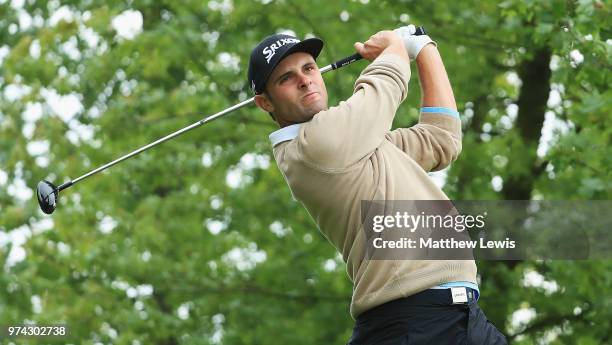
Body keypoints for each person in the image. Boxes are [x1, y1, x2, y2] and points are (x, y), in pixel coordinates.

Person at [247, 26, 507, 344]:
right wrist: (395, 47)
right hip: (411, 323)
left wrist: (424, 47)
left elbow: (441, 141)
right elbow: (383, 86)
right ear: (265, 103)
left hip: (463, 318)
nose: (305, 80)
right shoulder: (314, 146)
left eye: (309, 67)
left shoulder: (358, 146)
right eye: (285, 78)